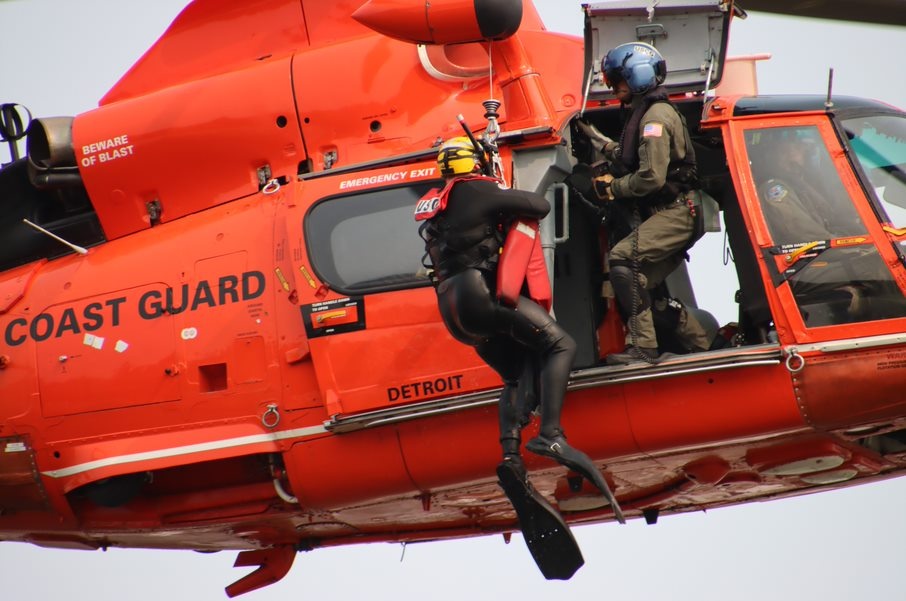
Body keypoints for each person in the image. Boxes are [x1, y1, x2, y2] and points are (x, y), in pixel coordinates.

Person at [415, 136, 623, 514]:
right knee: (561, 345)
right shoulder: (479, 191)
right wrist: (502, 184)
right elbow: (540, 205)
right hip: (481, 296)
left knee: (517, 371)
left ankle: (511, 455)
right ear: (474, 165)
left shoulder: (436, 207)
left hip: (454, 310)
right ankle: (551, 435)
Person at [573, 42, 710, 365]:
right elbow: (628, 155)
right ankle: (706, 344)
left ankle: (643, 348)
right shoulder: (645, 114)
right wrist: (595, 139)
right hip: (677, 212)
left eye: (618, 79)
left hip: (679, 212)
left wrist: (613, 189)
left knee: (621, 259)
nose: (612, 87)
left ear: (637, 76)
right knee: (640, 282)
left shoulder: (655, 118)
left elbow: (650, 178)